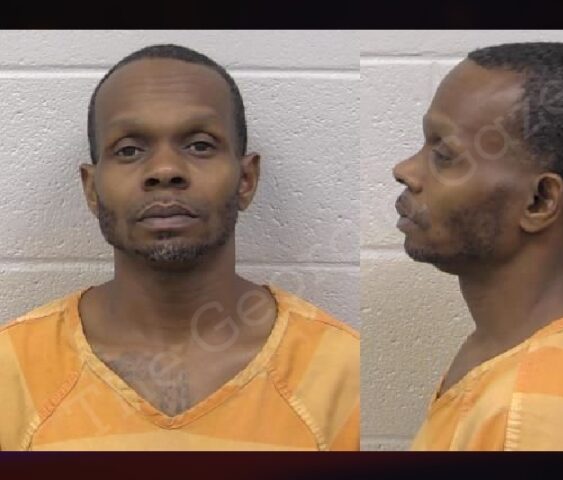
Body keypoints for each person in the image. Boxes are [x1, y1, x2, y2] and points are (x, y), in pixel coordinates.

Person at [0, 44, 359, 451]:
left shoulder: (340, 374)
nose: (165, 170)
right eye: (129, 150)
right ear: (92, 189)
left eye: (200, 145)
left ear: (246, 180)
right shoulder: (12, 372)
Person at [392, 42, 563, 450]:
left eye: (444, 154)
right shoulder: (511, 350)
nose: (405, 170)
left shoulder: (543, 417)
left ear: (539, 201)